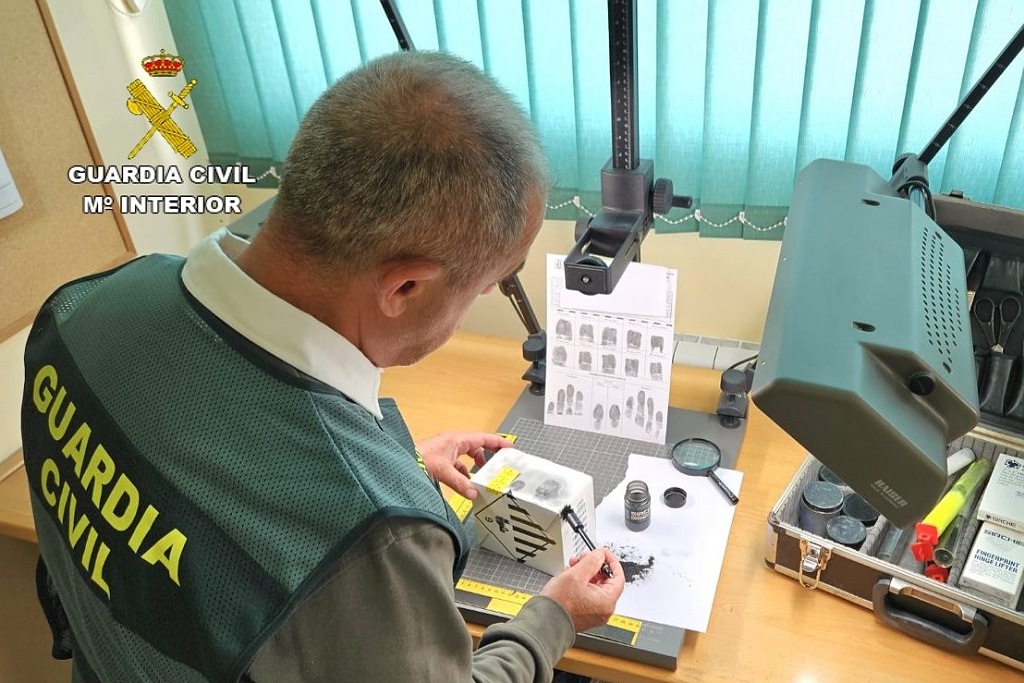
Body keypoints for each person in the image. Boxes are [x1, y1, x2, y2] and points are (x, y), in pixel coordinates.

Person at [21, 50, 624, 682]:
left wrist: (394, 466)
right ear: (405, 287)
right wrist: (553, 618)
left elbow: (202, 473)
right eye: (482, 289)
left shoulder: (83, 307)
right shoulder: (373, 547)